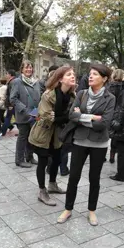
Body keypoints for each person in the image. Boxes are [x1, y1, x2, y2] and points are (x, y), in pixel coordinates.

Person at [57, 64, 115, 225]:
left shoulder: (110, 98)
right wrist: (93, 117)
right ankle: (68, 209)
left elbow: (104, 124)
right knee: (73, 177)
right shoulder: (82, 94)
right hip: (79, 141)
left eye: (95, 74)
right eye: (90, 74)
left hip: (99, 143)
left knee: (94, 178)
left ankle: (92, 211)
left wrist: (82, 116)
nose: (90, 76)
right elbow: (72, 115)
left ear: (104, 78)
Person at [29, 66, 76, 206]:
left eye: (73, 74)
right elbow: (48, 117)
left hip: (57, 135)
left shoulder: (72, 96)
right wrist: (66, 116)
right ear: (60, 79)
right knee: (43, 162)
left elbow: (71, 116)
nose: (73, 76)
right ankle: (42, 191)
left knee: (56, 160)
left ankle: (52, 185)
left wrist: (62, 116)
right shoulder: (48, 95)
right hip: (43, 133)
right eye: (69, 74)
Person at [10, 60, 41, 168]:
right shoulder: (17, 82)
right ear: (22, 69)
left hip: (34, 114)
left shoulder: (36, 82)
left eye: (30, 67)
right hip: (23, 114)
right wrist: (24, 109)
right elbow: (13, 99)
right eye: (26, 68)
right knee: (22, 137)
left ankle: (30, 157)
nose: (29, 69)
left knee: (31, 137)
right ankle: (19, 160)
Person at [107, 68, 124, 163]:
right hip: (119, 112)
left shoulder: (109, 86)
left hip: (110, 111)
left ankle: (107, 155)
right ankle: (113, 154)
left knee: (106, 134)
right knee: (115, 135)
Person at [1, 69, 16, 136]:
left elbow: (12, 94)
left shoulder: (12, 82)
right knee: (15, 118)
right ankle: (23, 131)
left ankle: (2, 132)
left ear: (10, 75)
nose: (6, 75)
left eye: (7, 74)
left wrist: (10, 104)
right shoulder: (11, 82)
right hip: (12, 104)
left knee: (8, 118)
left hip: (11, 104)